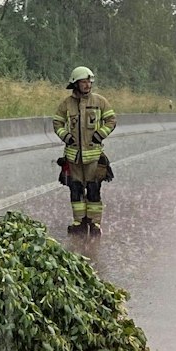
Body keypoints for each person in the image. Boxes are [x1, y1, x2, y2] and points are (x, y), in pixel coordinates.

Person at [53, 66, 117, 234]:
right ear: (75, 84)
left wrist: (100, 134)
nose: (88, 85)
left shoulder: (99, 101)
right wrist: (66, 137)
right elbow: (57, 122)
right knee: (76, 191)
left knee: (94, 190)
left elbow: (111, 120)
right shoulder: (67, 104)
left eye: (89, 82)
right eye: (84, 82)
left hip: (94, 158)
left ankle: (94, 224)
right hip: (73, 158)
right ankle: (79, 223)